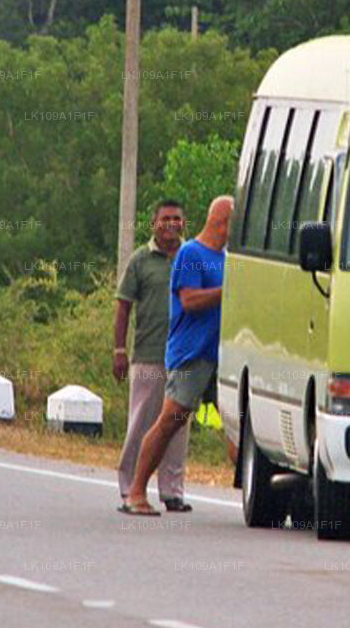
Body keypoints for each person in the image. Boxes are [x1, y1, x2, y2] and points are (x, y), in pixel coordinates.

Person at [121, 196, 233, 516]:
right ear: (222, 222)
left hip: (219, 356)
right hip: (190, 355)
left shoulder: (226, 258)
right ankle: (136, 492)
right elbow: (190, 300)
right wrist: (229, 291)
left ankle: (268, 498)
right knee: (169, 420)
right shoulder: (191, 254)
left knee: (237, 424)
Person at [113, 199, 190, 512]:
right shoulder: (140, 260)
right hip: (149, 354)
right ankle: (130, 487)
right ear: (154, 224)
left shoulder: (192, 256)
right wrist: (119, 350)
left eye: (177, 218)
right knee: (141, 423)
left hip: (185, 357)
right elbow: (123, 306)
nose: (171, 224)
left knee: (178, 426)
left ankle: (172, 492)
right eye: (165, 218)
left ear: (184, 223)